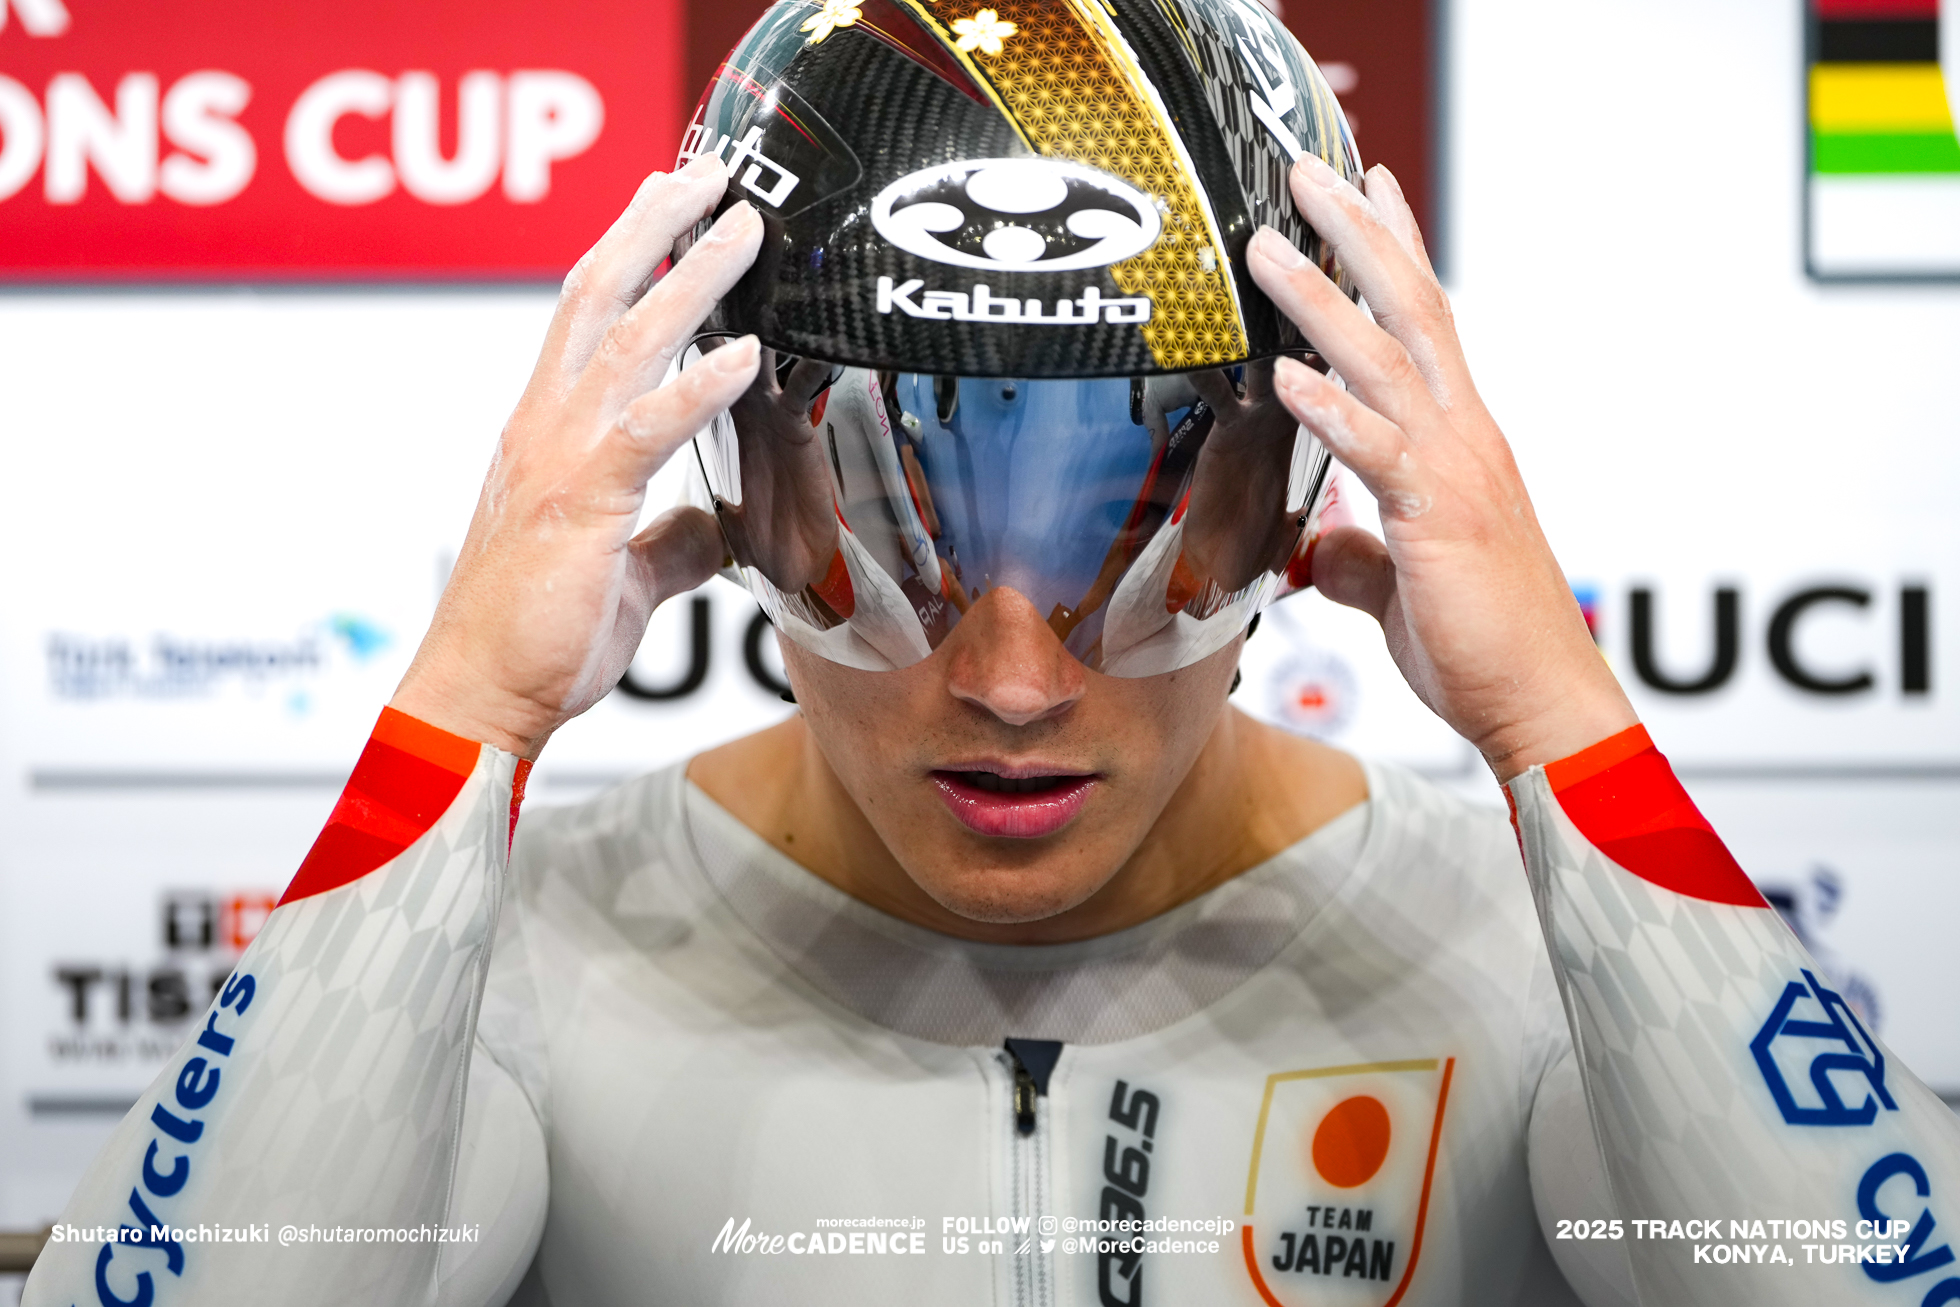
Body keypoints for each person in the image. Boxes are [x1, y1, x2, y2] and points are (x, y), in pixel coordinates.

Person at [25, 0, 1960, 1304]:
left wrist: (1558, 722)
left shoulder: (1536, 965)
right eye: (886, 526)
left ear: (1312, 498)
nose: (1019, 682)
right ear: (725, 487)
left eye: (1144, 535)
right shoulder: (507, 966)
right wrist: (464, 713)